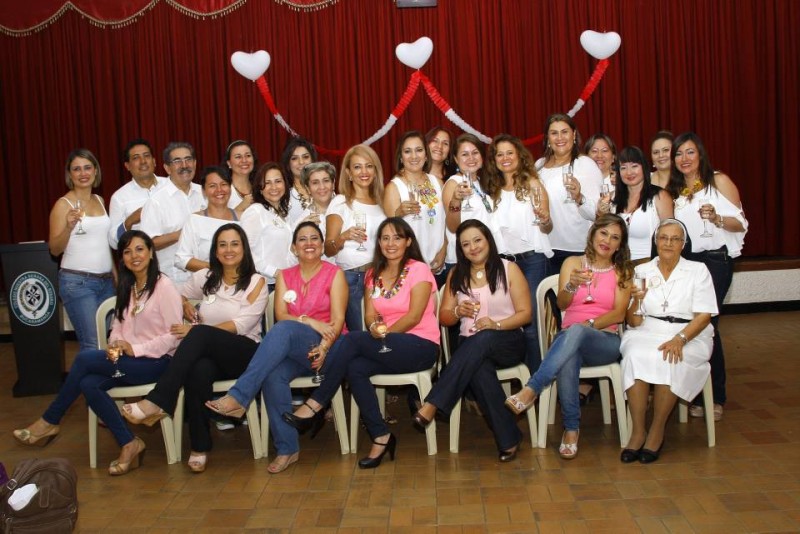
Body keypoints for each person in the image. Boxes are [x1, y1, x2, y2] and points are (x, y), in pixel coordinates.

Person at [14, 231, 182, 475]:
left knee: (84, 359)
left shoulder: (163, 286)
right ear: (121, 258)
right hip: (128, 361)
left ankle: (50, 420)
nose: (134, 256)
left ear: (151, 253)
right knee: (88, 382)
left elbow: (173, 336)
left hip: (157, 362)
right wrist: (115, 344)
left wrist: (134, 349)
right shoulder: (127, 287)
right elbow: (118, 328)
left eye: (139, 249)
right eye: (127, 251)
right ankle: (129, 443)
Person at [284, 218, 440, 469]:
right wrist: (374, 327)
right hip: (385, 345)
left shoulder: (418, 269)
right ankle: (381, 436)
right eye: (385, 238)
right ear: (378, 242)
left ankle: (316, 402)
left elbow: (413, 316)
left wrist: (384, 334)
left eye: (397, 238)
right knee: (355, 366)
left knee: (353, 340)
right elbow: (369, 315)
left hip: (419, 345)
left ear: (408, 241)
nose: (390, 243)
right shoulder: (372, 274)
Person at [122, 224, 267, 472]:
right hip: (209, 354)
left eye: (234, 244)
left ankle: (157, 400)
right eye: (222, 244)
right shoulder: (205, 277)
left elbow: (241, 324)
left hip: (245, 352)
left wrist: (197, 330)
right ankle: (199, 446)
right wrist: (186, 303)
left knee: (198, 334)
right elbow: (173, 294)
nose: (228, 250)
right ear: (215, 250)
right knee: (198, 370)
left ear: (244, 248)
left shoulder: (256, 282)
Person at [205, 221, 348, 473]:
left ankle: (239, 396)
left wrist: (324, 347)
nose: (309, 244)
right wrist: (309, 320)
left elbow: (337, 321)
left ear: (322, 245)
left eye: (314, 238)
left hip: (329, 347)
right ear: (294, 247)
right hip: (296, 349)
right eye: (302, 239)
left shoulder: (334, 274)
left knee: (283, 330)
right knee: (272, 374)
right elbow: (281, 314)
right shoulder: (285, 275)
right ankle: (287, 449)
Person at [505, 214, 633, 459]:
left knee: (575, 331)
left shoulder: (623, 271)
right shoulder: (573, 263)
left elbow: (618, 314)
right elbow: (562, 303)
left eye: (615, 237)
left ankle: (532, 388)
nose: (607, 240)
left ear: (620, 245)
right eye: (603, 233)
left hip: (604, 342)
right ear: (593, 234)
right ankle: (572, 430)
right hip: (569, 341)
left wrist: (589, 325)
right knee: (569, 353)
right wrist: (572, 285)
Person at [413, 220, 532, 460]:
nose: (473, 247)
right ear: (461, 250)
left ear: (488, 239)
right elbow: (445, 317)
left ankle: (434, 401)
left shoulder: (509, 269)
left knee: (484, 337)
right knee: (478, 367)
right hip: (471, 346)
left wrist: (496, 324)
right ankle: (509, 438)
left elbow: (525, 314)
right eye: (466, 244)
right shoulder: (457, 274)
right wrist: (458, 311)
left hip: (507, 340)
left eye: (477, 240)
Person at [620, 218, 717, 463]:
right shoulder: (643, 271)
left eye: (675, 239)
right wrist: (636, 301)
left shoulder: (698, 270)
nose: (668, 243)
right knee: (634, 355)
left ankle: (657, 429)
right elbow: (633, 322)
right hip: (649, 328)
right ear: (656, 241)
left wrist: (680, 338)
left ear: (683, 244)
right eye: (663, 238)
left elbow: (704, 315)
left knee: (669, 356)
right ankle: (638, 429)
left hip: (689, 332)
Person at [668, 132, 747, 421]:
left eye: (690, 152)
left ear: (700, 154)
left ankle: (717, 395)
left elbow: (740, 223)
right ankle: (694, 392)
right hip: (687, 262)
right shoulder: (677, 191)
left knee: (707, 323)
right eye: (679, 154)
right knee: (690, 323)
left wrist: (716, 219)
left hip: (715, 260)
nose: (684, 159)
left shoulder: (718, 181)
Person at [484, 134, 553, 371]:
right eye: (499, 154)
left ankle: (534, 383)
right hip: (504, 264)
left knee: (530, 322)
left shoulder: (533, 184)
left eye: (509, 153)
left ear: (519, 156)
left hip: (531, 259)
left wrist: (545, 219)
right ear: (494, 160)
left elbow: (547, 225)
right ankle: (516, 373)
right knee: (507, 318)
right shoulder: (491, 190)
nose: (505, 158)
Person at [49, 148, 115, 352]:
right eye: (76, 169)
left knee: (105, 342)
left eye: (87, 167)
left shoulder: (100, 201)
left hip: (106, 283)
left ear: (95, 171)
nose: (83, 173)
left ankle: (97, 383)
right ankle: (83, 385)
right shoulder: (63, 205)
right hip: (78, 283)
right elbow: (54, 249)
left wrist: (117, 279)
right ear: (70, 174)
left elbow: (105, 245)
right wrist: (68, 227)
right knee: (92, 344)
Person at [324, 144, 386, 331]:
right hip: (353, 277)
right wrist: (343, 237)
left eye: (369, 166)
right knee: (362, 334)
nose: (364, 172)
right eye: (357, 167)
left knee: (383, 331)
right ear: (349, 173)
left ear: (375, 171)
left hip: (381, 276)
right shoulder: (340, 202)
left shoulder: (384, 202)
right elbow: (328, 248)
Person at [535, 113, 603, 275]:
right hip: (545, 248)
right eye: (554, 133)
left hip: (577, 249)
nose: (560, 137)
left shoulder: (585, 164)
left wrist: (579, 197)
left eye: (564, 132)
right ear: (547, 138)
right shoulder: (539, 166)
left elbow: (596, 213)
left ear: (574, 135)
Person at [140, 142, 206, 287]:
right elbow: (148, 244)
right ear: (167, 168)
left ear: (195, 163)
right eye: (177, 161)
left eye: (188, 159)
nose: (184, 165)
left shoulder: (205, 193)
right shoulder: (156, 201)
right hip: (173, 281)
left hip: (206, 277)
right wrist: (183, 233)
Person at [384, 130, 447, 275]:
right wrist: (398, 214)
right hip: (409, 267)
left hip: (437, 264)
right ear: (401, 157)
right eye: (407, 151)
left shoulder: (437, 182)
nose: (414, 156)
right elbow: (390, 233)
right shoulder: (393, 188)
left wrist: (443, 250)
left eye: (419, 150)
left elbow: (445, 222)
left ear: (426, 155)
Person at [598, 146, 673, 262]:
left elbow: (671, 236)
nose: (629, 172)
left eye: (634, 166)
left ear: (644, 167)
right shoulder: (611, 198)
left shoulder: (660, 196)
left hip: (650, 265)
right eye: (623, 168)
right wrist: (601, 214)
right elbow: (601, 235)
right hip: (617, 266)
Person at [174, 166, 239, 273]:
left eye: (224, 184)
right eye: (212, 186)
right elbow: (181, 259)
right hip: (205, 283)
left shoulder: (245, 219)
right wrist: (217, 269)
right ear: (204, 191)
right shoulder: (195, 220)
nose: (219, 190)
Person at [240, 162, 295, 287]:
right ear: (260, 188)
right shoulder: (256, 212)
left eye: (278, 181)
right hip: (263, 284)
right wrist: (274, 272)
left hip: (285, 281)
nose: (274, 187)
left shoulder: (285, 214)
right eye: (268, 183)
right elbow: (245, 251)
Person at [107, 139, 168, 249]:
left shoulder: (170, 186)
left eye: (146, 156)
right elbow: (113, 243)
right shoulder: (119, 197)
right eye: (136, 158)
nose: (143, 161)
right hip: (141, 262)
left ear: (154, 161)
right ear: (127, 166)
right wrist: (129, 221)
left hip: (174, 260)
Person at [293, 161, 337, 241]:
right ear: (307, 188)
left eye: (326, 180)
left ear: (333, 184)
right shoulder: (302, 221)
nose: (322, 187)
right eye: (315, 183)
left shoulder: (348, 208)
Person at [281, 137, 319, 224]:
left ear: (313, 160)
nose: (301, 162)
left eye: (305, 157)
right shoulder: (283, 195)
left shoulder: (325, 188)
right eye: (294, 158)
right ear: (288, 164)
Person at [223, 140, 257, 214]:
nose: (244, 160)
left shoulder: (260, 187)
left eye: (248, 156)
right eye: (238, 157)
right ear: (229, 163)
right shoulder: (222, 190)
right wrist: (241, 207)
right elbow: (217, 221)